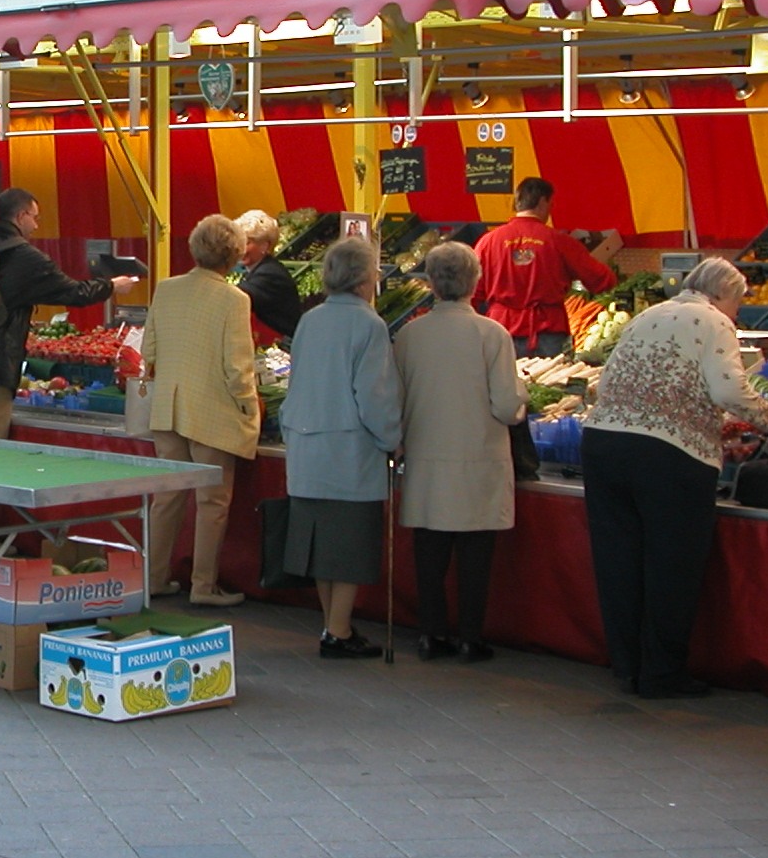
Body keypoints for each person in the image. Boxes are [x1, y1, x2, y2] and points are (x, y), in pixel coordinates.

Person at [581, 257, 768, 699]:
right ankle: (662, 673)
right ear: (724, 296)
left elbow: (609, 382)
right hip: (667, 457)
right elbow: (725, 390)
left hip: (603, 444)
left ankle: (627, 665)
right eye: (738, 305)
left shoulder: (650, 314)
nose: (736, 314)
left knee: (619, 563)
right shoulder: (713, 320)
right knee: (671, 565)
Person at [0, 187, 135, 544]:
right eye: (34, 215)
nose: (37, 222)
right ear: (19, 217)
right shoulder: (25, 257)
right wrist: (111, 286)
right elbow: (73, 293)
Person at [393, 242, 529, 663]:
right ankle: (471, 636)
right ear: (476, 282)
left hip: (426, 458)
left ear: (431, 283)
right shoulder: (492, 334)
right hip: (479, 458)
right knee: (475, 556)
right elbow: (508, 405)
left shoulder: (410, 334)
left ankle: (430, 634)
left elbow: (394, 401)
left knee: (429, 553)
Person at [280, 236, 402, 659]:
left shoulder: (310, 320)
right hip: (349, 448)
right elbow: (375, 394)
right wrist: (392, 438)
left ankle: (333, 624)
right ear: (365, 278)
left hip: (305, 442)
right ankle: (338, 629)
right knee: (348, 542)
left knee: (318, 544)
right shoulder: (369, 324)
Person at [144, 214, 261, 607]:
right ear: (234, 254)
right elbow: (237, 367)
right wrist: (249, 407)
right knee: (212, 501)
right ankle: (203, 586)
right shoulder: (235, 300)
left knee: (167, 499)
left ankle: (154, 577)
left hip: (168, 409)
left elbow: (149, 352)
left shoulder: (166, 289)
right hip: (211, 412)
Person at [473, 176, 617, 358]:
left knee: (501, 383)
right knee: (551, 383)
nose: (551, 209)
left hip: (500, 329)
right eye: (551, 203)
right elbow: (602, 280)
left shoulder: (488, 242)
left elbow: (471, 291)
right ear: (542, 201)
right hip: (548, 331)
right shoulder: (559, 241)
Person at [234, 209, 302, 343]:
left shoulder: (270, 273)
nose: (239, 248)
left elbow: (237, 296)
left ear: (264, 246)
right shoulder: (258, 269)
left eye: (247, 242)